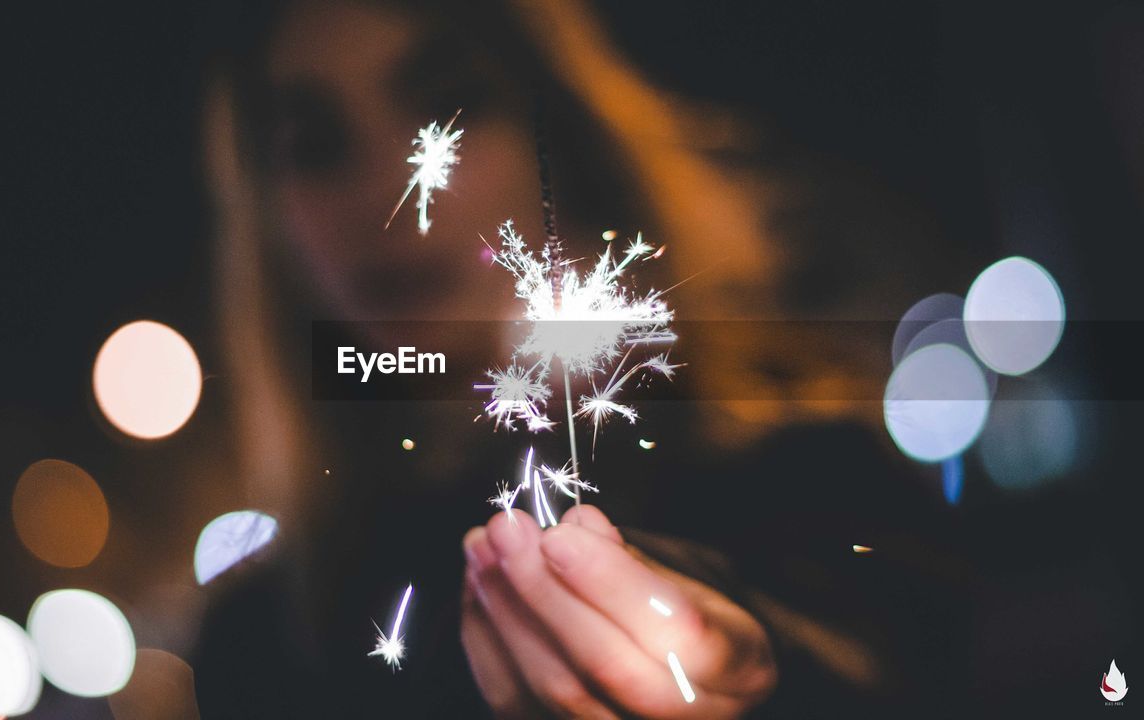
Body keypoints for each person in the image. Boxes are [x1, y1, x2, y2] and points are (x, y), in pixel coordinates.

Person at [193, 0, 965, 717]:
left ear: (564, 143)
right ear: (266, 223)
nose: (392, 191)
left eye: (447, 109)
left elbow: (884, 651)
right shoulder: (262, 643)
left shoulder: (806, 470)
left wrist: (750, 666)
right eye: (315, 144)